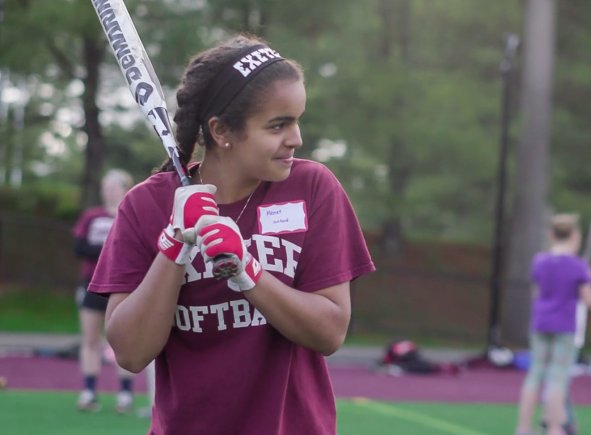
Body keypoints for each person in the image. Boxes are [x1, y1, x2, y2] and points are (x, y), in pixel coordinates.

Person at [88, 34, 375, 434]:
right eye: (278, 125)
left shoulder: (312, 188)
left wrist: (249, 273)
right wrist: (174, 245)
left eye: (297, 120)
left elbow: (330, 332)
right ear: (222, 130)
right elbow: (131, 353)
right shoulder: (146, 205)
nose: (296, 139)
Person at [516, 215, 591, 435]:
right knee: (557, 378)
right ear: (575, 236)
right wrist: (589, 278)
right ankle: (554, 428)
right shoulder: (578, 266)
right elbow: (589, 300)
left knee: (535, 373)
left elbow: (541, 286)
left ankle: (523, 428)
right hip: (564, 325)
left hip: (540, 322)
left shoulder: (539, 261)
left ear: (552, 235)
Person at [72, 169, 136, 413]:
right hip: (91, 284)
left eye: (112, 186)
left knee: (122, 339)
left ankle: (125, 395)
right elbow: (79, 247)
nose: (107, 191)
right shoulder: (92, 216)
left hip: (122, 285)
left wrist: (110, 255)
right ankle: (89, 392)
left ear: (124, 188)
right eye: (104, 187)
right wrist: (107, 253)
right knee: (90, 339)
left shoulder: (130, 214)